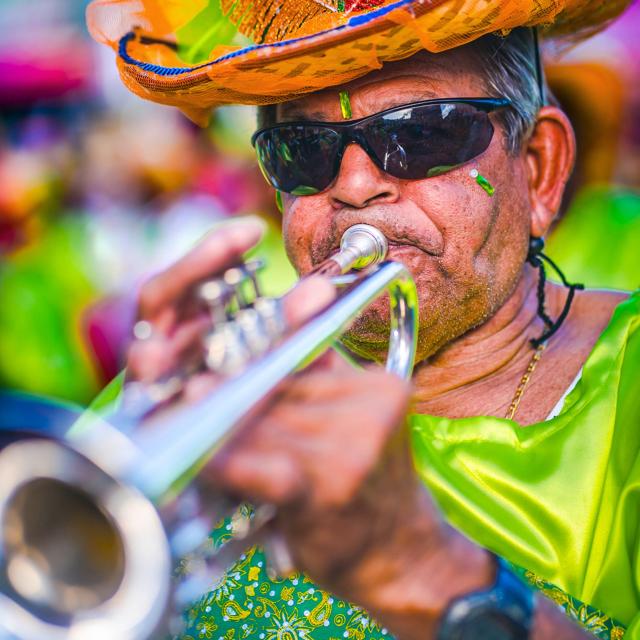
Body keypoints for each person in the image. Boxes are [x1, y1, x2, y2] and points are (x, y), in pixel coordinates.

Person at [87, 1, 640, 639]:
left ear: (540, 168)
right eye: (302, 149)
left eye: (421, 132)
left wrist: (421, 568)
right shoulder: (204, 382)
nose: (354, 186)